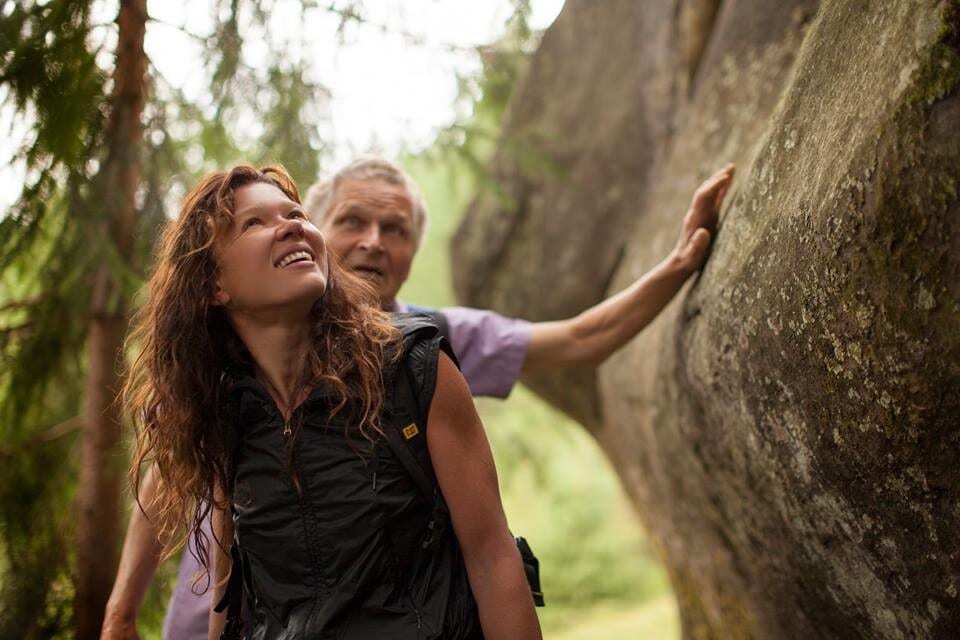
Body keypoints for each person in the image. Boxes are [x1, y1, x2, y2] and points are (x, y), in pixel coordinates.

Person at [101, 158, 734, 639]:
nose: (374, 240)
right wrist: (123, 605)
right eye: (353, 220)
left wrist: (681, 261)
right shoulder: (222, 390)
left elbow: (581, 339)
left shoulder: (427, 352)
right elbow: (173, 473)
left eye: (395, 228)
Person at [120, 165, 541, 640]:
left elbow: (492, 557)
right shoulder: (226, 410)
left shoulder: (413, 368)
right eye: (254, 223)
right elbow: (230, 592)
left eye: (295, 213)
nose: (292, 225)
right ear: (216, 286)